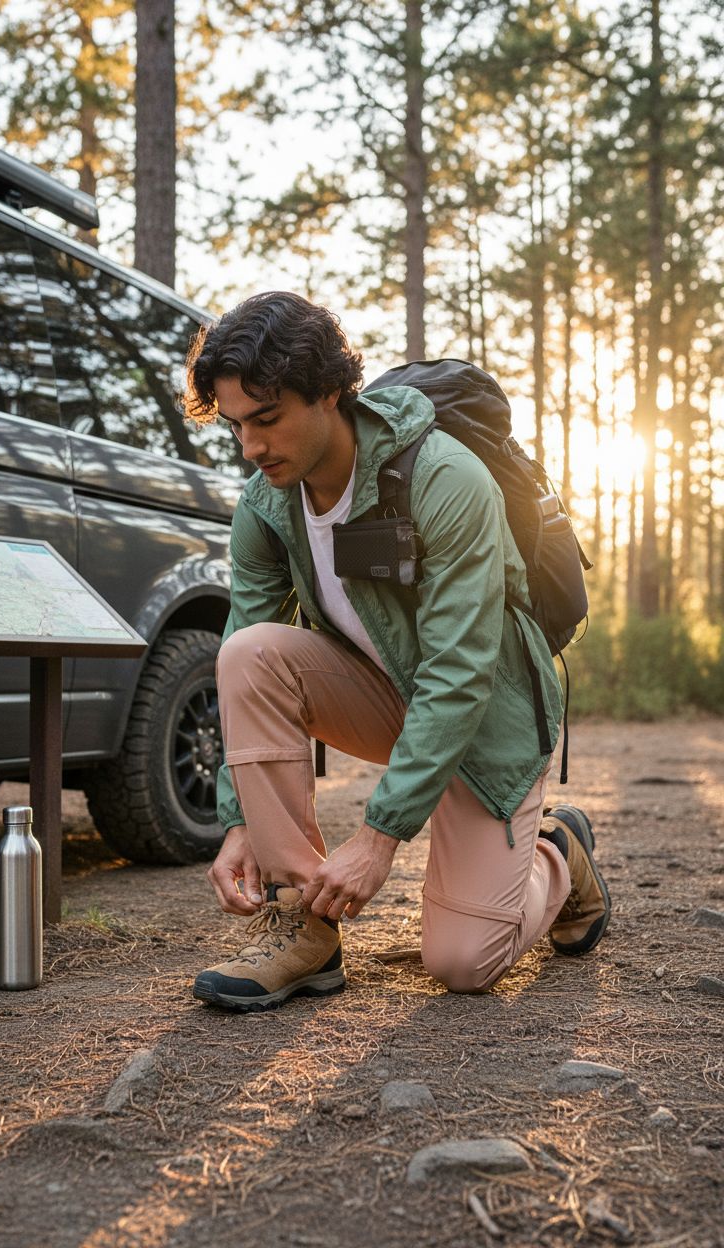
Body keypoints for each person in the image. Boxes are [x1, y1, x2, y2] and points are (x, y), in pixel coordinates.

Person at [184, 291, 611, 1012]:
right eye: (235, 427)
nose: (252, 448)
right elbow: (244, 647)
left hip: (484, 718)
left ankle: (557, 852)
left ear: (327, 394)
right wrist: (238, 824)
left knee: (464, 962)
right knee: (249, 653)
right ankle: (301, 923)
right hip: (383, 699)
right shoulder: (265, 504)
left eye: (267, 419)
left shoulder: (444, 478)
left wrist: (379, 837)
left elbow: (457, 673)